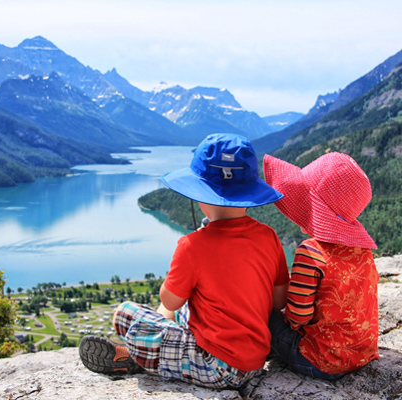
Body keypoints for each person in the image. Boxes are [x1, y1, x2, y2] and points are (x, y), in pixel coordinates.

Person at [80, 133, 285, 390]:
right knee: (178, 312)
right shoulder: (269, 237)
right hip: (255, 359)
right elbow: (278, 302)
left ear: (200, 196)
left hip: (215, 366)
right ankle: (148, 355)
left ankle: (135, 358)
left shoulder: (192, 246)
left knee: (124, 314)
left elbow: (170, 301)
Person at [260, 152, 381, 380]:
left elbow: (298, 317)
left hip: (321, 362)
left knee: (265, 313)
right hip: (362, 354)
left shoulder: (311, 252)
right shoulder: (362, 250)